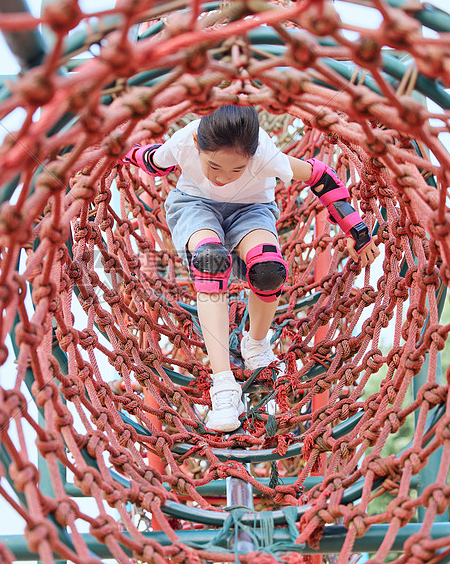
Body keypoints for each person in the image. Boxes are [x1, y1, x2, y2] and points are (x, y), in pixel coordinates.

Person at [121, 105, 379, 432]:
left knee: (269, 269)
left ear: (252, 156)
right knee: (210, 260)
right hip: (195, 206)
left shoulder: (267, 155)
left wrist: (357, 230)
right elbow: (148, 160)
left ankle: (255, 343)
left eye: (235, 170)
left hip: (251, 211)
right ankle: (223, 386)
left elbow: (321, 176)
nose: (221, 178)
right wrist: (112, 152)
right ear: (199, 146)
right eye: (213, 165)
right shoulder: (184, 141)